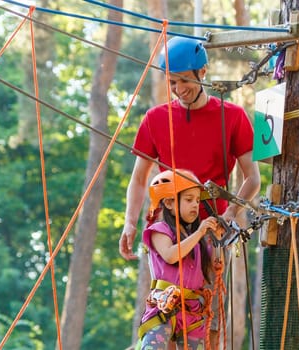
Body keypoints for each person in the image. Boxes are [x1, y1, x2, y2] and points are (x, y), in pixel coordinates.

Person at [120, 36, 261, 348]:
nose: (178, 89)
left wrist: (228, 216)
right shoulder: (155, 119)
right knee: (164, 309)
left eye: (184, 80)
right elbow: (140, 178)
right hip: (166, 228)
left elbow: (252, 179)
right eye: (172, 82)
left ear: (203, 72)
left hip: (208, 225)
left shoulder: (233, 116)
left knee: (201, 313)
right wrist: (130, 222)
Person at [136, 169, 223, 349]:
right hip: (164, 305)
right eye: (189, 199)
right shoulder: (160, 229)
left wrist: (218, 240)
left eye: (197, 200)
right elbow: (170, 255)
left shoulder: (196, 240)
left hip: (192, 309)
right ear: (169, 202)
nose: (195, 205)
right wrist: (199, 233)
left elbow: (209, 271)